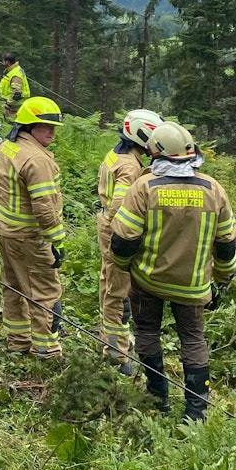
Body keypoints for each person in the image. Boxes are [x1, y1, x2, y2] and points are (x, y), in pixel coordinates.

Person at [110, 121, 236, 421]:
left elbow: (124, 239)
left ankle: (158, 399)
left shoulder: (145, 187)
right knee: (193, 340)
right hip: (193, 287)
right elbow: (227, 243)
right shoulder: (213, 189)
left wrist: (124, 267)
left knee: (147, 332)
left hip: (148, 281)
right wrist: (221, 280)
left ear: (155, 154)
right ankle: (196, 413)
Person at [0, 96, 66, 359]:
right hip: (30, 236)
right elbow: (45, 207)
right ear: (28, 126)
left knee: (12, 285)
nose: (51, 132)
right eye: (45, 126)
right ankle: (47, 349)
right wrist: (56, 241)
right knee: (45, 291)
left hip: (5, 229)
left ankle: (18, 341)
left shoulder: (8, 147)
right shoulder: (37, 160)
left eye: (53, 127)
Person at [95, 109, 163, 375]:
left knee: (108, 285)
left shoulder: (117, 154)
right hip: (115, 232)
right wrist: (129, 239)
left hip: (104, 226)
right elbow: (120, 207)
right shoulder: (130, 166)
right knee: (118, 293)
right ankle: (117, 354)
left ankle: (109, 342)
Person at [0, 53, 30, 119]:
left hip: (14, 107)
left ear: (7, 62)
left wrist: (8, 103)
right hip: (12, 105)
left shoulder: (15, 75)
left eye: (3, 61)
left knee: (11, 124)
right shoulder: (13, 70)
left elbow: (16, 93)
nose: (3, 63)